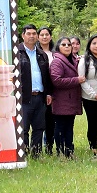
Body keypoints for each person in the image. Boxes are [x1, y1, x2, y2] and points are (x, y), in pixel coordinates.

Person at [17, 24, 53, 158]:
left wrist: (48, 93)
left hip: (40, 97)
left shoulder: (41, 54)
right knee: (24, 128)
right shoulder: (16, 52)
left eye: (33, 33)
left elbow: (46, 76)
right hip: (24, 97)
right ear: (23, 35)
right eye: (28, 33)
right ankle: (24, 154)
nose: (31, 36)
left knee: (39, 128)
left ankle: (36, 154)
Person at [49, 35, 84, 159]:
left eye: (69, 44)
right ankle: (60, 152)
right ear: (58, 47)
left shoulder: (74, 60)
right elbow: (56, 80)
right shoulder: (57, 61)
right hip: (61, 101)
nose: (67, 47)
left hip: (71, 100)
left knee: (69, 127)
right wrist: (76, 80)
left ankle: (69, 151)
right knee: (60, 128)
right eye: (64, 45)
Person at [38, 27, 57, 156]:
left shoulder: (55, 53)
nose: (44, 37)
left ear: (50, 37)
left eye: (47, 34)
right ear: (38, 37)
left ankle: (49, 147)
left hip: (55, 91)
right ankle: (36, 147)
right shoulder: (35, 53)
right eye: (42, 35)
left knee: (51, 121)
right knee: (39, 121)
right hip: (40, 91)